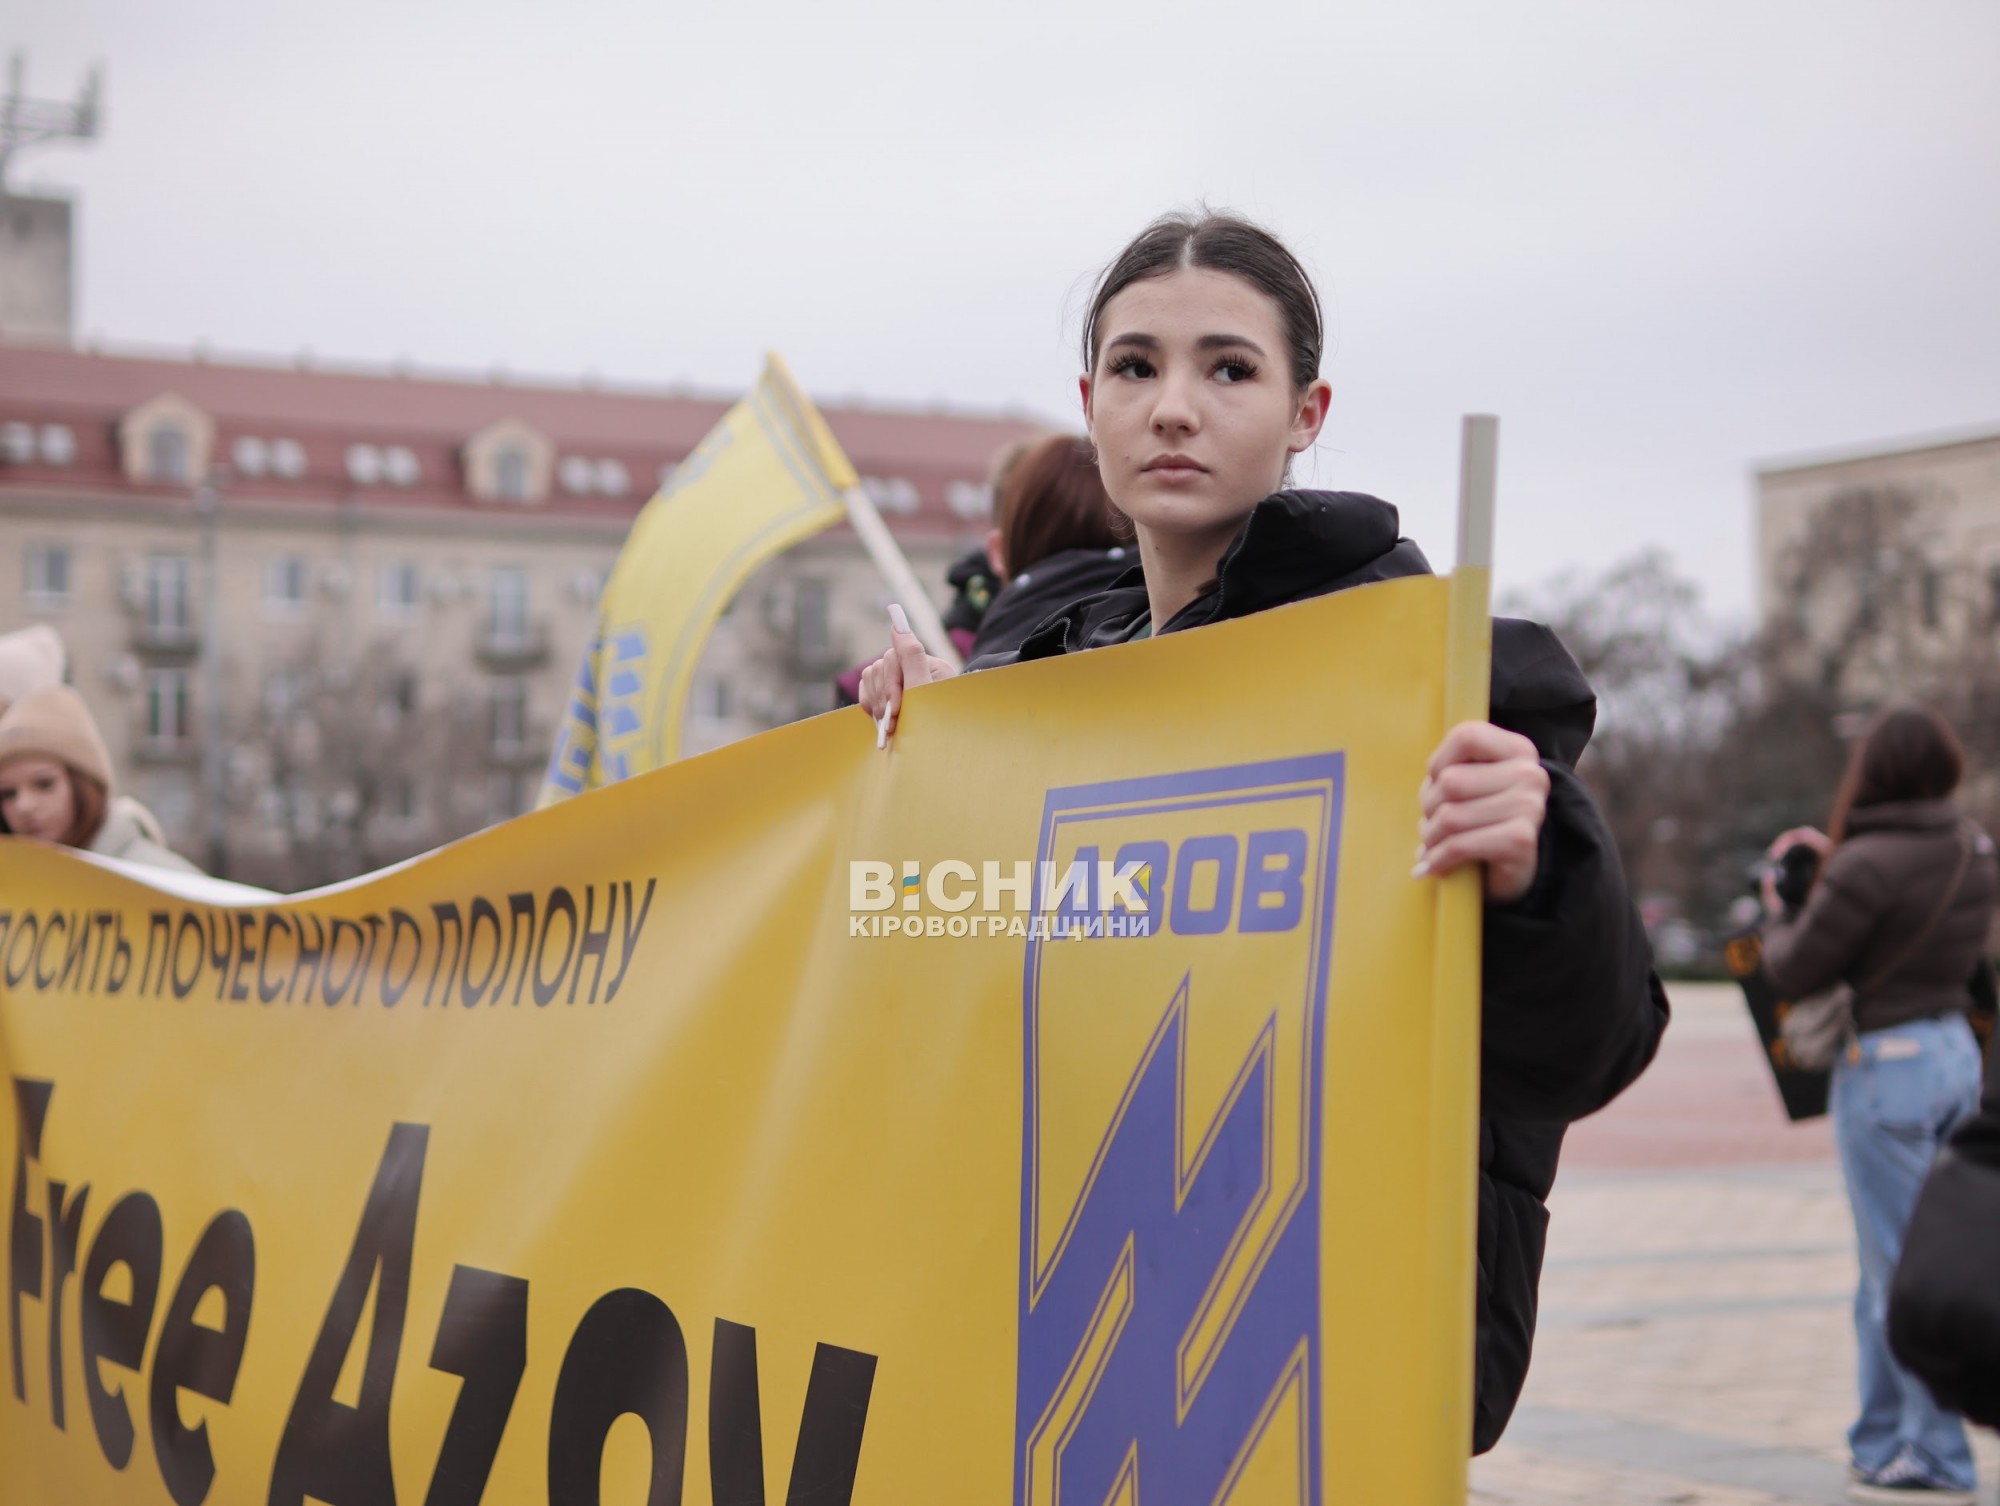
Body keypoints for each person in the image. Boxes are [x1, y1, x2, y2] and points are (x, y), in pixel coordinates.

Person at [858, 210, 1667, 1452]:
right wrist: (908, 780)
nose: (1172, 407)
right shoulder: (1029, 680)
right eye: (1135, 368)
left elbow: (1589, 1050)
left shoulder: (1427, 681)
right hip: (1054, 1345)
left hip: (1319, 1357)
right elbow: (935, 991)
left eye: (1227, 368)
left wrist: (1538, 869)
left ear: (1306, 410)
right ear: (1090, 402)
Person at [1760, 704, 1994, 1503]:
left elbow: (1794, 968)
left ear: (1876, 771)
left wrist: (1780, 906)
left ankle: (1936, 1453)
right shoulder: (1974, 848)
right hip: (1955, 1057)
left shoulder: (1865, 864)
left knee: (1898, 1268)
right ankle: (1881, 1439)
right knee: (1889, 1264)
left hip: (1886, 1068)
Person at [0, 684, 202, 873]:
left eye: (44, 784)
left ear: (83, 783)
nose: (24, 806)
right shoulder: (11, 886)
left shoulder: (166, 880)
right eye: (8, 794)